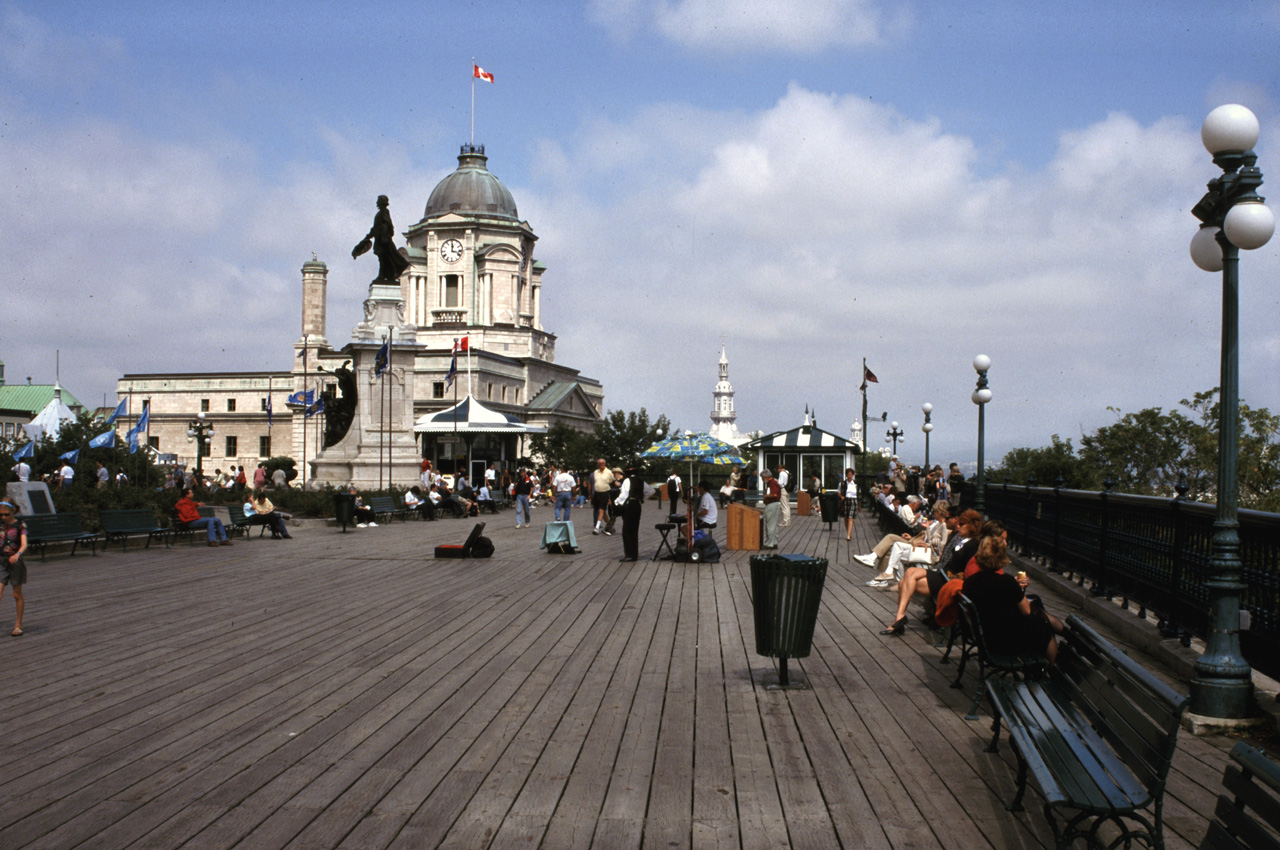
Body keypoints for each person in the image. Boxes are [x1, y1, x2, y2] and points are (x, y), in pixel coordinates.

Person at [880, 508, 982, 636]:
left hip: (949, 580)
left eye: (962, 524)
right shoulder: (959, 539)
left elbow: (967, 570)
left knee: (905, 579)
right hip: (942, 573)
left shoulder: (973, 545)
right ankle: (899, 618)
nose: (958, 526)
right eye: (959, 523)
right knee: (905, 578)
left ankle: (899, 619)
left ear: (972, 526)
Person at [962, 535, 1064, 663]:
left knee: (1040, 617)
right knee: (1044, 628)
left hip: (986, 638)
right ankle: (1052, 667)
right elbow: (1026, 611)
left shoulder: (970, 582)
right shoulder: (1007, 581)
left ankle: (1066, 638)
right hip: (1005, 643)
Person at [353, 194, 411, 282]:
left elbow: (389, 224)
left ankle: (383, 275)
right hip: (380, 239)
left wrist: (387, 235)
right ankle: (387, 275)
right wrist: (368, 236)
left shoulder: (384, 212)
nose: (377, 202)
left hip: (384, 240)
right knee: (383, 257)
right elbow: (375, 228)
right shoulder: (380, 213)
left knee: (384, 257)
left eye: (378, 200)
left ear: (381, 202)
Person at [0, 501, 28, 636]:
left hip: (15, 561)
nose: (4, 517)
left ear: (12, 512)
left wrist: (18, 554)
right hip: (1, 560)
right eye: (1, 515)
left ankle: (18, 624)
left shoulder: (20, 525)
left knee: (17, 594)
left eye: (6, 514)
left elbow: (24, 544)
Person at [615, 466, 644, 562]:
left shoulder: (627, 480)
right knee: (634, 530)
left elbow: (624, 495)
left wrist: (616, 502)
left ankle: (629, 554)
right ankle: (634, 554)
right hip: (638, 505)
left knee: (627, 530)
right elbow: (650, 491)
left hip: (629, 505)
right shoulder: (640, 481)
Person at [590, 458, 614, 535]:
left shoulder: (609, 472)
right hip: (597, 493)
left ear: (605, 464)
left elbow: (612, 481)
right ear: (598, 464)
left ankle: (597, 527)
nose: (601, 464)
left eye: (602, 463)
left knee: (601, 510)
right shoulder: (595, 472)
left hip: (605, 493)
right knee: (602, 512)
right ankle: (610, 526)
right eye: (600, 463)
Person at [761, 469, 782, 549]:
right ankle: (774, 542)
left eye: (762, 478)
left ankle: (769, 543)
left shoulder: (772, 483)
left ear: (766, 477)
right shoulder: (772, 482)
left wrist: (766, 496)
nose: (762, 480)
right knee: (773, 524)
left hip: (772, 504)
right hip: (774, 505)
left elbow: (774, 494)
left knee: (770, 524)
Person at [839, 468, 858, 540]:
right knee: (846, 517)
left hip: (853, 500)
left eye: (851, 474)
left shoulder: (855, 483)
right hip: (845, 500)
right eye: (848, 474)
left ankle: (848, 535)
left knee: (851, 517)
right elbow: (839, 492)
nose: (850, 476)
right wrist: (841, 496)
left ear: (853, 475)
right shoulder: (842, 483)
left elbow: (858, 494)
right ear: (846, 475)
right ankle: (848, 532)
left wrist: (859, 503)